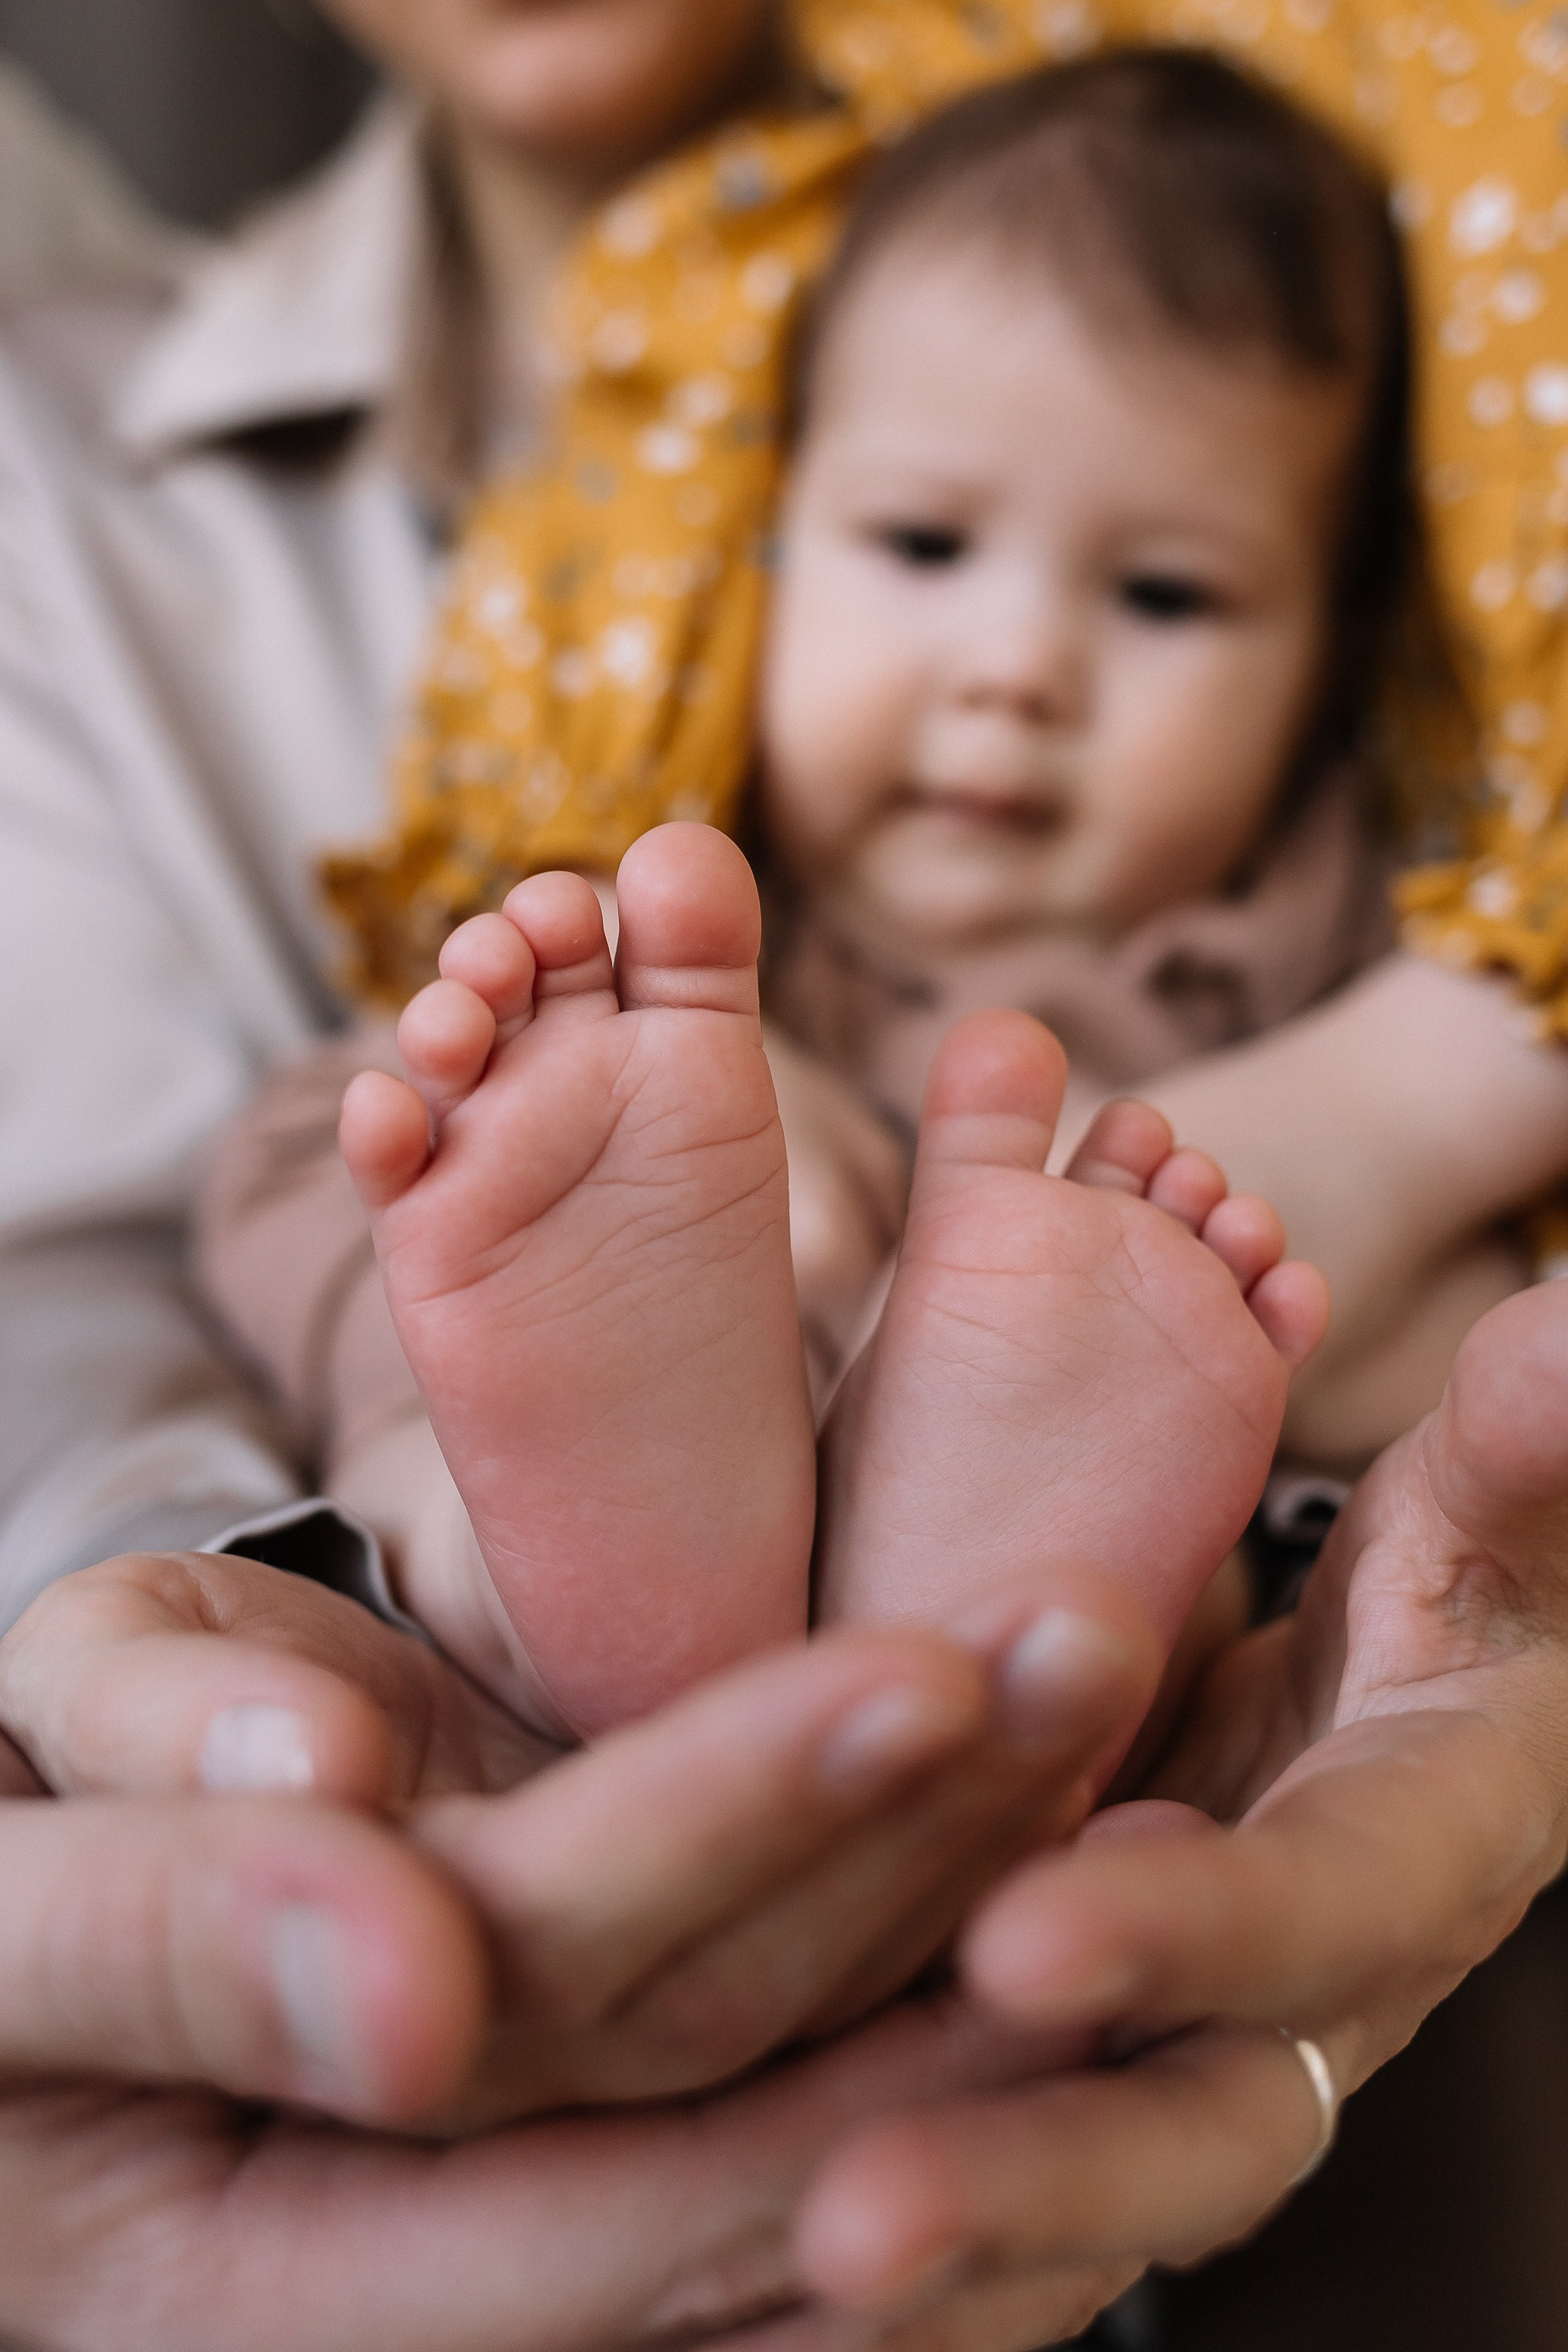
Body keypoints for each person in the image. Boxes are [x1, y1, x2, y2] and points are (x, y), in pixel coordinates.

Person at [0, 1, 1563, 2342]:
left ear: (1336, 659)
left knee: (1251, 1347)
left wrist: (1386, 1274)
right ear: (758, 532)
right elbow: (90, 1270)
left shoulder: (1318, 928)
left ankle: (1011, 1532)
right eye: (922, 545)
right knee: (370, 1152)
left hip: (1150, 1597)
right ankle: (486, 1519)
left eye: (1166, 600)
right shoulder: (700, 929)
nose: (1013, 672)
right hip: (733, 1291)